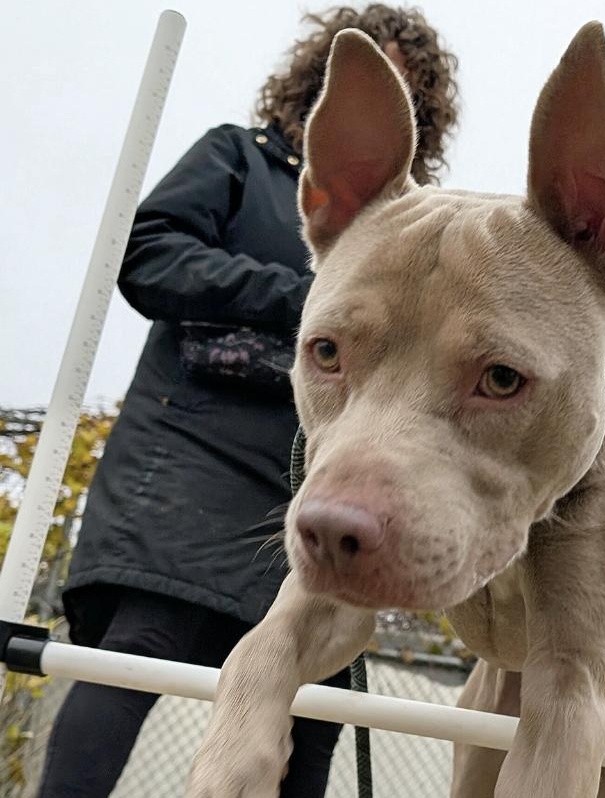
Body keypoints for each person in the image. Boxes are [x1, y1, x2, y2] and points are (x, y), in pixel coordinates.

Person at [36, 5, 458, 797]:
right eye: (355, 78)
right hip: (193, 454)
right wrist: (305, 296)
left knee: (316, 701)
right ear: (317, 85)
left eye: (400, 89)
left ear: (419, 114)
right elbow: (149, 252)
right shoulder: (239, 158)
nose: (374, 96)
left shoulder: (406, 227)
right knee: (143, 645)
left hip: (318, 469)